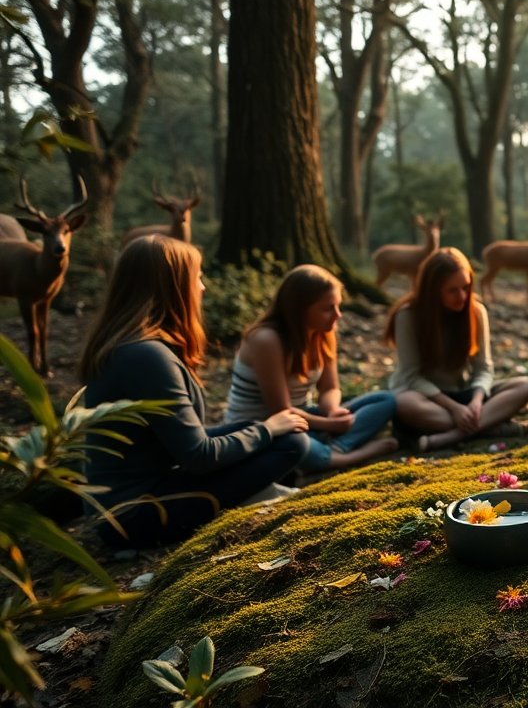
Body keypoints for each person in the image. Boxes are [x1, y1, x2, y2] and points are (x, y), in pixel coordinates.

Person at [79, 235, 310, 548]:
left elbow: (186, 444)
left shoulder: (131, 347)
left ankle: (256, 492)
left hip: (140, 496)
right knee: (290, 442)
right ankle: (255, 496)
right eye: (197, 277)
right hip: (135, 515)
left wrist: (263, 430)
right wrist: (267, 429)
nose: (203, 287)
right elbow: (199, 456)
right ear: (172, 287)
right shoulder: (146, 356)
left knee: (273, 432)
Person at [225, 264, 397, 473]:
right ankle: (346, 456)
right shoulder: (266, 340)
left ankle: (333, 449)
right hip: (264, 428)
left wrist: (332, 411)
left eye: (338, 306)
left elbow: (330, 388)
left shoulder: (323, 332)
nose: (338, 315)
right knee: (294, 442)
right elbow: (280, 411)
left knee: (385, 400)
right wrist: (329, 425)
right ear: (299, 309)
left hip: (305, 418)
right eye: (328, 308)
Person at [385, 247, 528, 451]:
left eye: (466, 287)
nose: (462, 296)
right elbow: (411, 376)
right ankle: (487, 425)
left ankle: (449, 436)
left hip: (465, 393)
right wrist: (454, 408)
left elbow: (483, 368)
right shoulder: (408, 315)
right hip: (427, 397)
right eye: (452, 290)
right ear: (433, 290)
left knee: (525, 386)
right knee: (402, 403)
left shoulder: (476, 311)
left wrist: (476, 401)